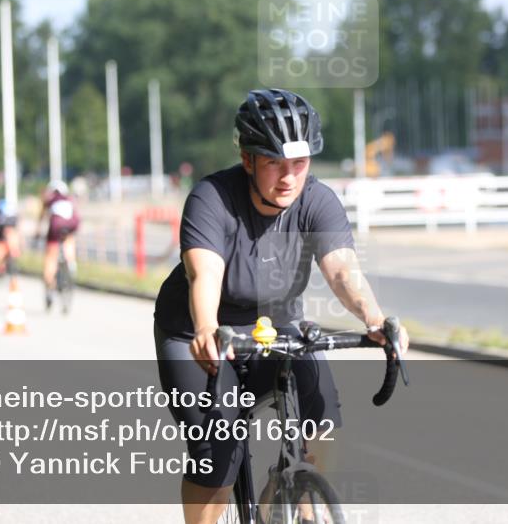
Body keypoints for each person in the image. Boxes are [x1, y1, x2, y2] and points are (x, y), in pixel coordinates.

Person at [153, 88, 410, 524]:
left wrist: (374, 318)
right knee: (217, 455)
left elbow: (343, 269)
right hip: (200, 331)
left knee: (322, 420)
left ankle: (292, 498)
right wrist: (204, 327)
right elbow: (205, 273)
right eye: (275, 163)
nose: (289, 177)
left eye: (300, 163)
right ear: (249, 159)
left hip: (276, 325)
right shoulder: (212, 199)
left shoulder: (316, 200)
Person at [40, 180, 80, 311]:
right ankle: (71, 263)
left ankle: (49, 285)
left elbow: (43, 217)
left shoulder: (50, 200)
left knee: (51, 258)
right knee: (69, 241)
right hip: (71, 227)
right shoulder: (70, 199)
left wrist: (38, 231)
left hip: (55, 229)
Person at [0, 198, 20, 281]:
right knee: (0, 257)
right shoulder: (6, 217)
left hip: (6, 239)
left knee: (9, 254)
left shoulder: (4, 217)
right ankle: (3, 269)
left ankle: (9, 269)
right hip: (2, 240)